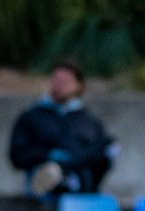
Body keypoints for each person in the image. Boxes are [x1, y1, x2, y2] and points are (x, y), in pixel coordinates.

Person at [8, 59, 115, 196]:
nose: (59, 85)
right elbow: (17, 156)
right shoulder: (32, 117)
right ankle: (59, 176)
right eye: (56, 80)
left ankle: (64, 173)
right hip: (43, 182)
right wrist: (48, 155)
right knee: (50, 175)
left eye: (66, 81)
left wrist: (67, 165)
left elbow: (101, 156)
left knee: (108, 146)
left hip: (83, 185)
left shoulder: (89, 121)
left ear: (79, 85)